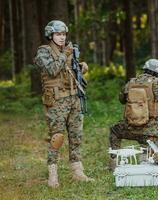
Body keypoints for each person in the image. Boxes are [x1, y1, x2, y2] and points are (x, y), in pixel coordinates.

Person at [34, 20, 93, 188]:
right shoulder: (43, 52)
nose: (62, 37)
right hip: (56, 101)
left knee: (76, 136)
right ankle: (53, 174)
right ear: (51, 35)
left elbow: (68, 72)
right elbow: (52, 70)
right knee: (57, 137)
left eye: (64, 34)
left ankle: (77, 171)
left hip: (74, 98)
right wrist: (65, 54)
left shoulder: (68, 52)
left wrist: (79, 67)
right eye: (58, 34)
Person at [109, 59, 158, 170]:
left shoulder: (132, 82)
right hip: (149, 132)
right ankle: (145, 163)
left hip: (129, 127)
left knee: (114, 130)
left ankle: (114, 162)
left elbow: (121, 99)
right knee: (148, 145)